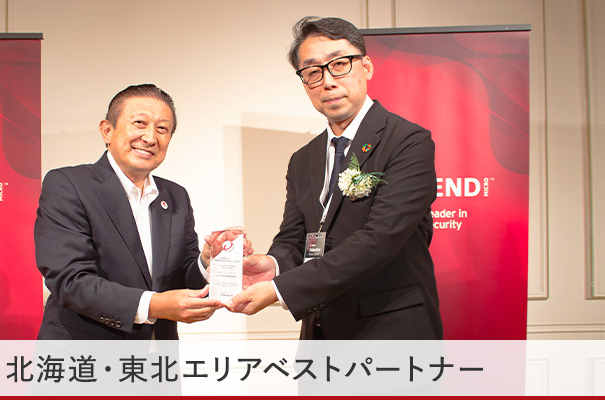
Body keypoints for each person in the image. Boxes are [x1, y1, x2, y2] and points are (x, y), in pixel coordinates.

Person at [228, 17, 443, 340]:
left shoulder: (408, 141)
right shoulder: (303, 159)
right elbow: (294, 238)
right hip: (320, 335)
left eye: (339, 64)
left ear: (366, 67)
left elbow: (380, 240)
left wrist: (280, 289)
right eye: (313, 72)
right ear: (304, 83)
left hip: (390, 333)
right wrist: (272, 266)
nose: (328, 81)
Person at [35, 84, 248, 340]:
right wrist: (154, 305)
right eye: (139, 123)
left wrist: (207, 261)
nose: (150, 138)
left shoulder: (176, 196)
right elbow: (71, 281)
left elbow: (181, 281)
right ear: (107, 130)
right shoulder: (68, 184)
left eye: (162, 129)